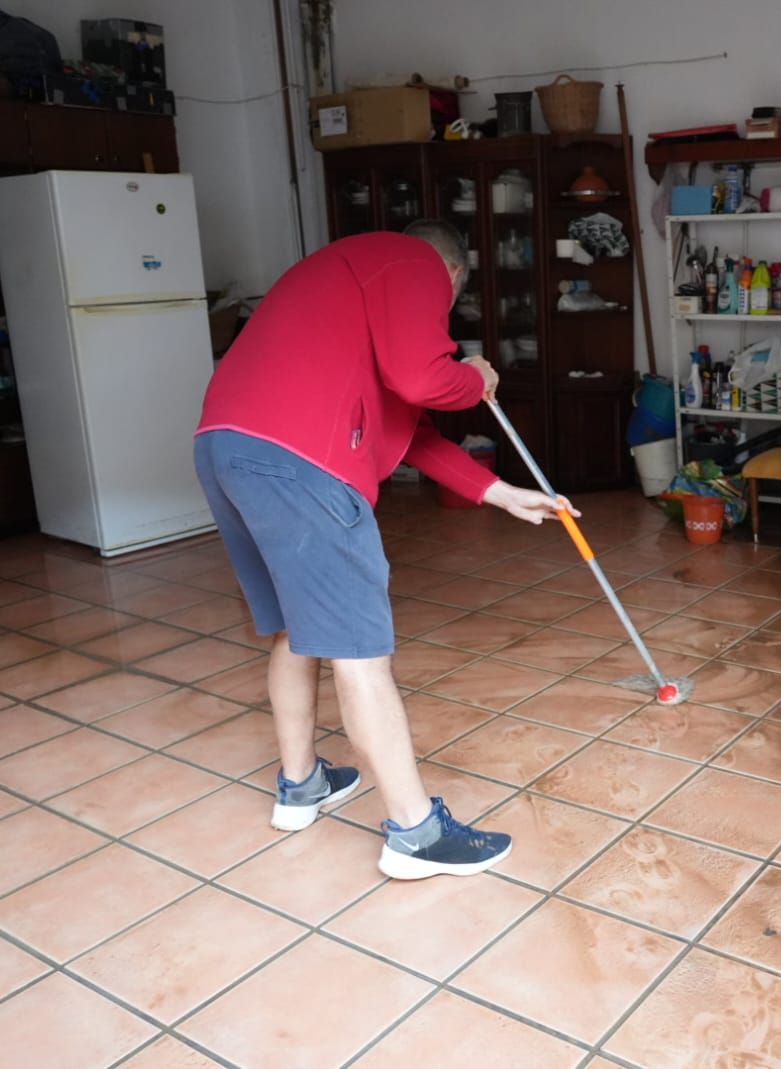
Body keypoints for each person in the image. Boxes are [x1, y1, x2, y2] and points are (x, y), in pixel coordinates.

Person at [193, 221, 569, 879]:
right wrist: (472, 375)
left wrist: (500, 491)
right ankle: (416, 833)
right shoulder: (413, 260)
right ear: (450, 276)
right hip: (300, 458)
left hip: (225, 445)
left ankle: (302, 783)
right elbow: (426, 382)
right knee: (360, 652)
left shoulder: (344, 285)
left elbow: (413, 430)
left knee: (294, 626)